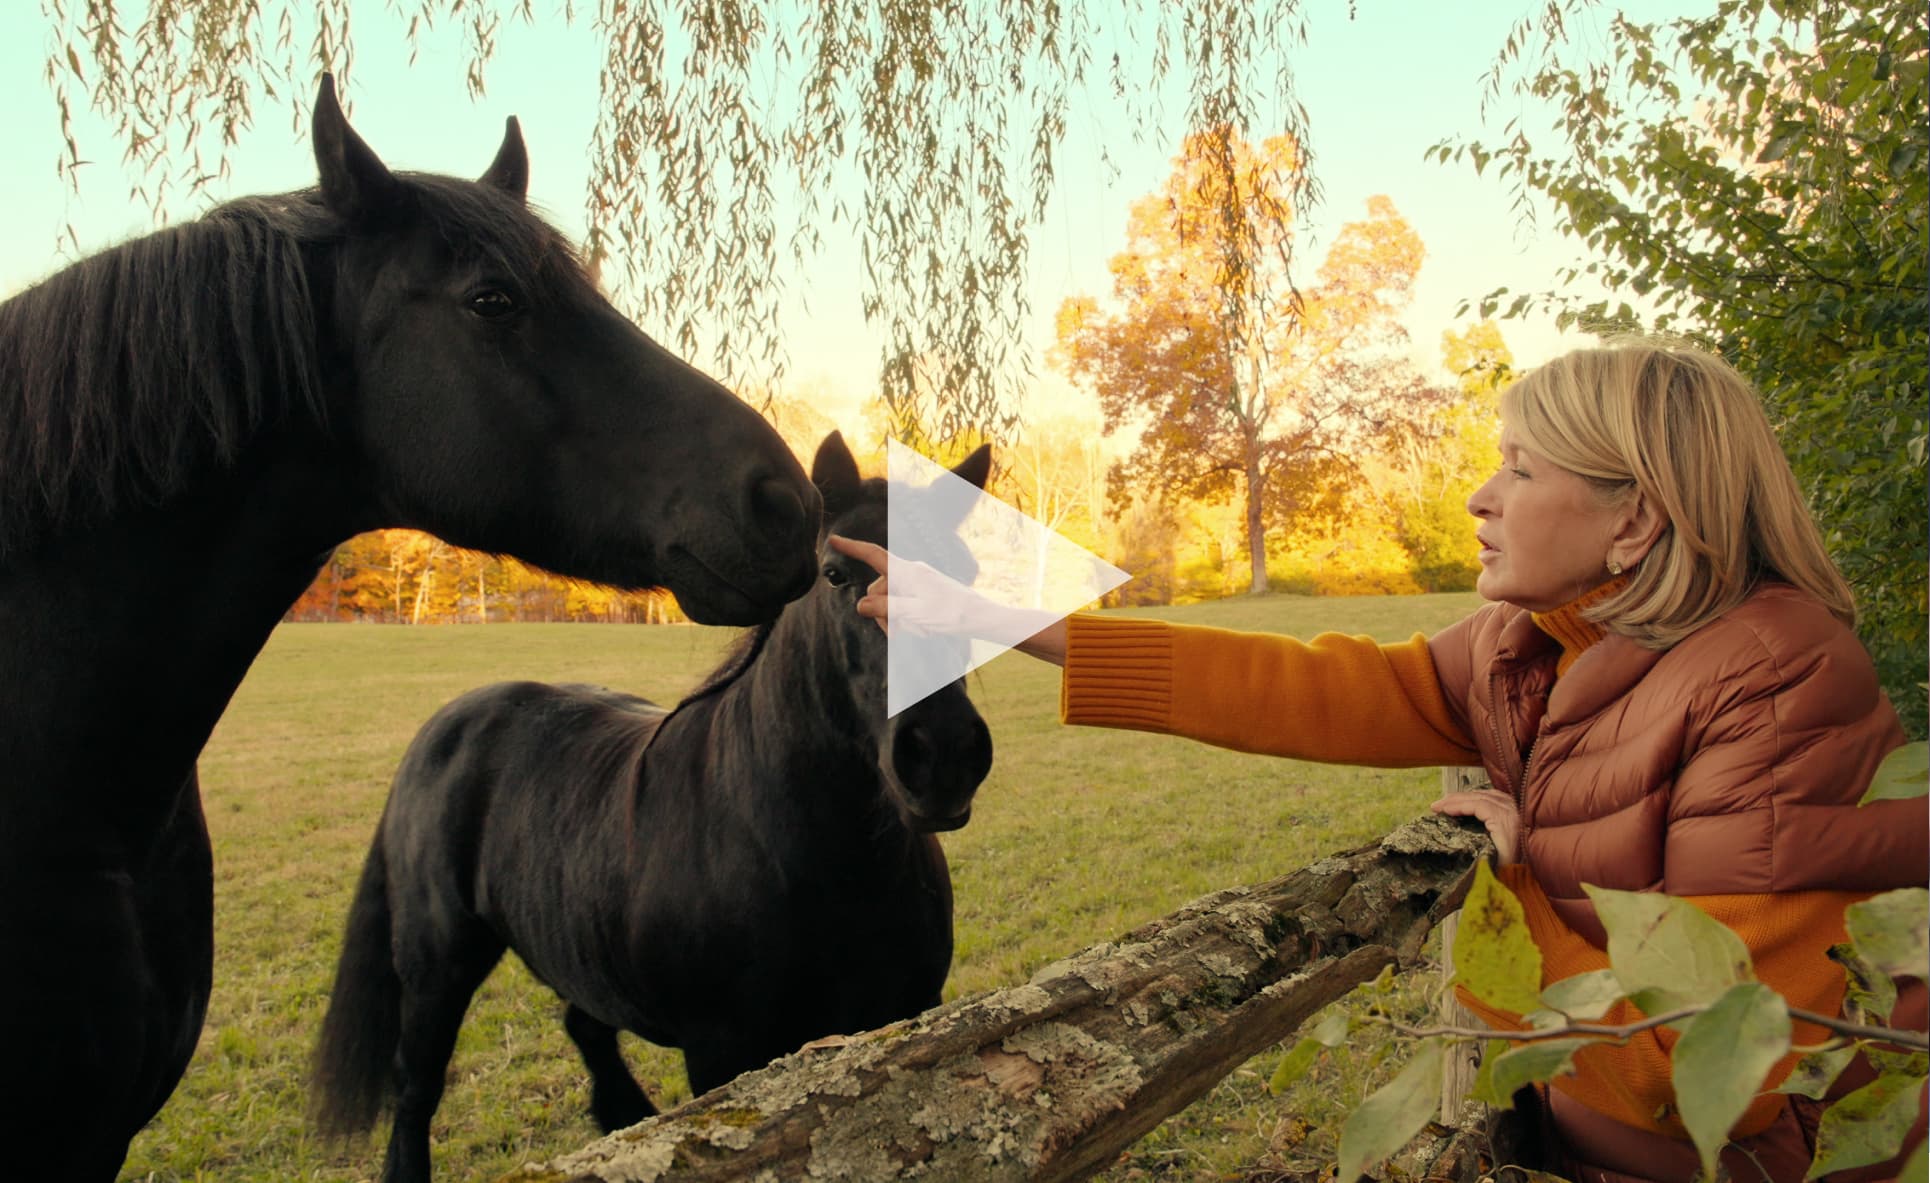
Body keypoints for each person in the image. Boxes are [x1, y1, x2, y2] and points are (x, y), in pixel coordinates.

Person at [828, 341, 1927, 1183]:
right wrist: (1010, 620)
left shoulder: (1774, 686)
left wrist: (1507, 901)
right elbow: (1314, 686)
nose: (1478, 497)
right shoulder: (1533, 645)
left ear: (1634, 519)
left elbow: (1706, 1075)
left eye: (1519, 469)